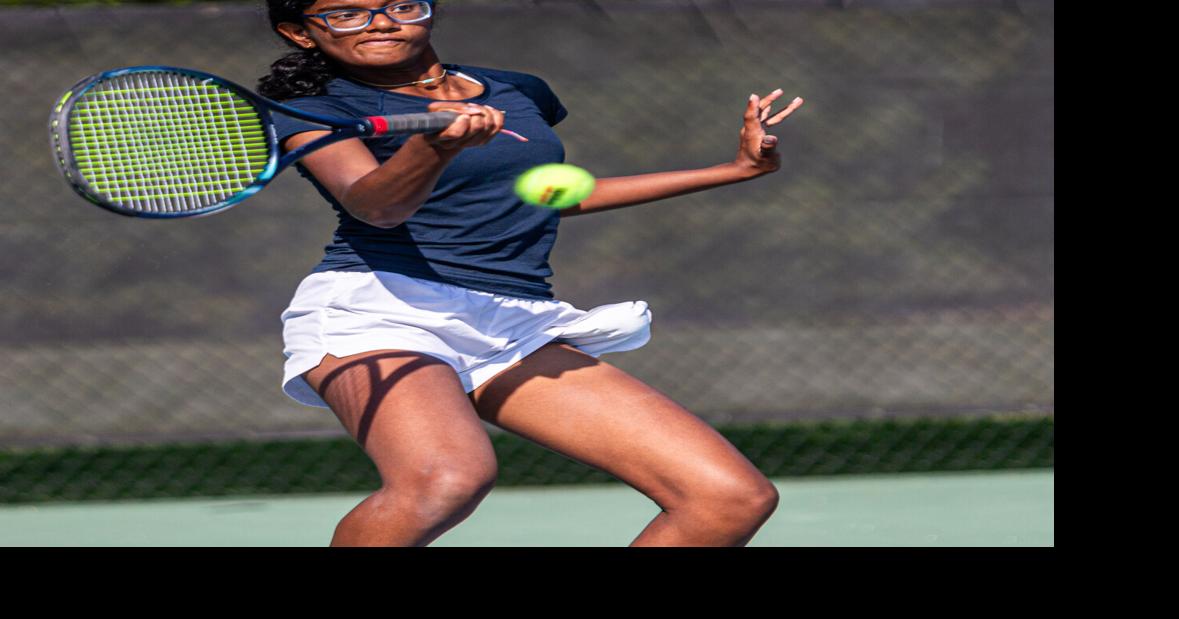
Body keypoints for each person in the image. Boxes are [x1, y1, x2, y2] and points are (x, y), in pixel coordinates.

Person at [260, 0, 804, 547]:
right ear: (299, 33)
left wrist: (734, 170)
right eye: (345, 13)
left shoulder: (519, 91)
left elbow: (545, 197)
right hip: (379, 311)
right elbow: (374, 206)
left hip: (513, 321)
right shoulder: (309, 109)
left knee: (728, 498)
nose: (379, 22)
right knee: (445, 481)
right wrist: (431, 149)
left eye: (399, 4)